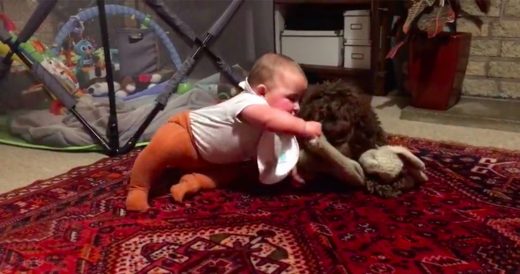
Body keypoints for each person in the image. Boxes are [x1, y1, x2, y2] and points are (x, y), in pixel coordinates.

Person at [125, 53, 322, 211]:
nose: (297, 107)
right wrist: (304, 127)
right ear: (262, 92)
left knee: (234, 172)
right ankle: (138, 187)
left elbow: (284, 147)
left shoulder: (279, 123)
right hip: (186, 134)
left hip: (213, 158)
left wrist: (290, 170)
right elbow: (270, 120)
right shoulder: (249, 102)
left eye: (300, 100)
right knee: (161, 149)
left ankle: (194, 180)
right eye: (292, 98)